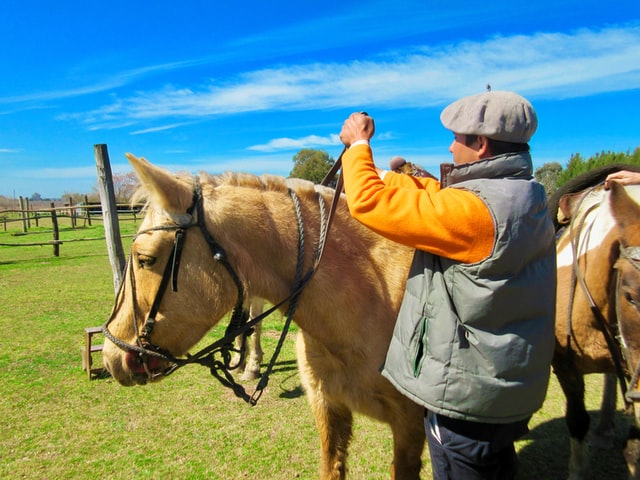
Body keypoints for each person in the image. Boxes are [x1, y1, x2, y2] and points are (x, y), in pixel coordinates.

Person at [338, 91, 556, 480]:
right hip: (505, 389)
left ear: (481, 145)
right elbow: (443, 199)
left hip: (467, 402)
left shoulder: (473, 212)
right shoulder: (527, 196)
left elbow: (368, 204)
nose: (451, 145)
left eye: (458, 138)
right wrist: (391, 178)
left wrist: (359, 146)